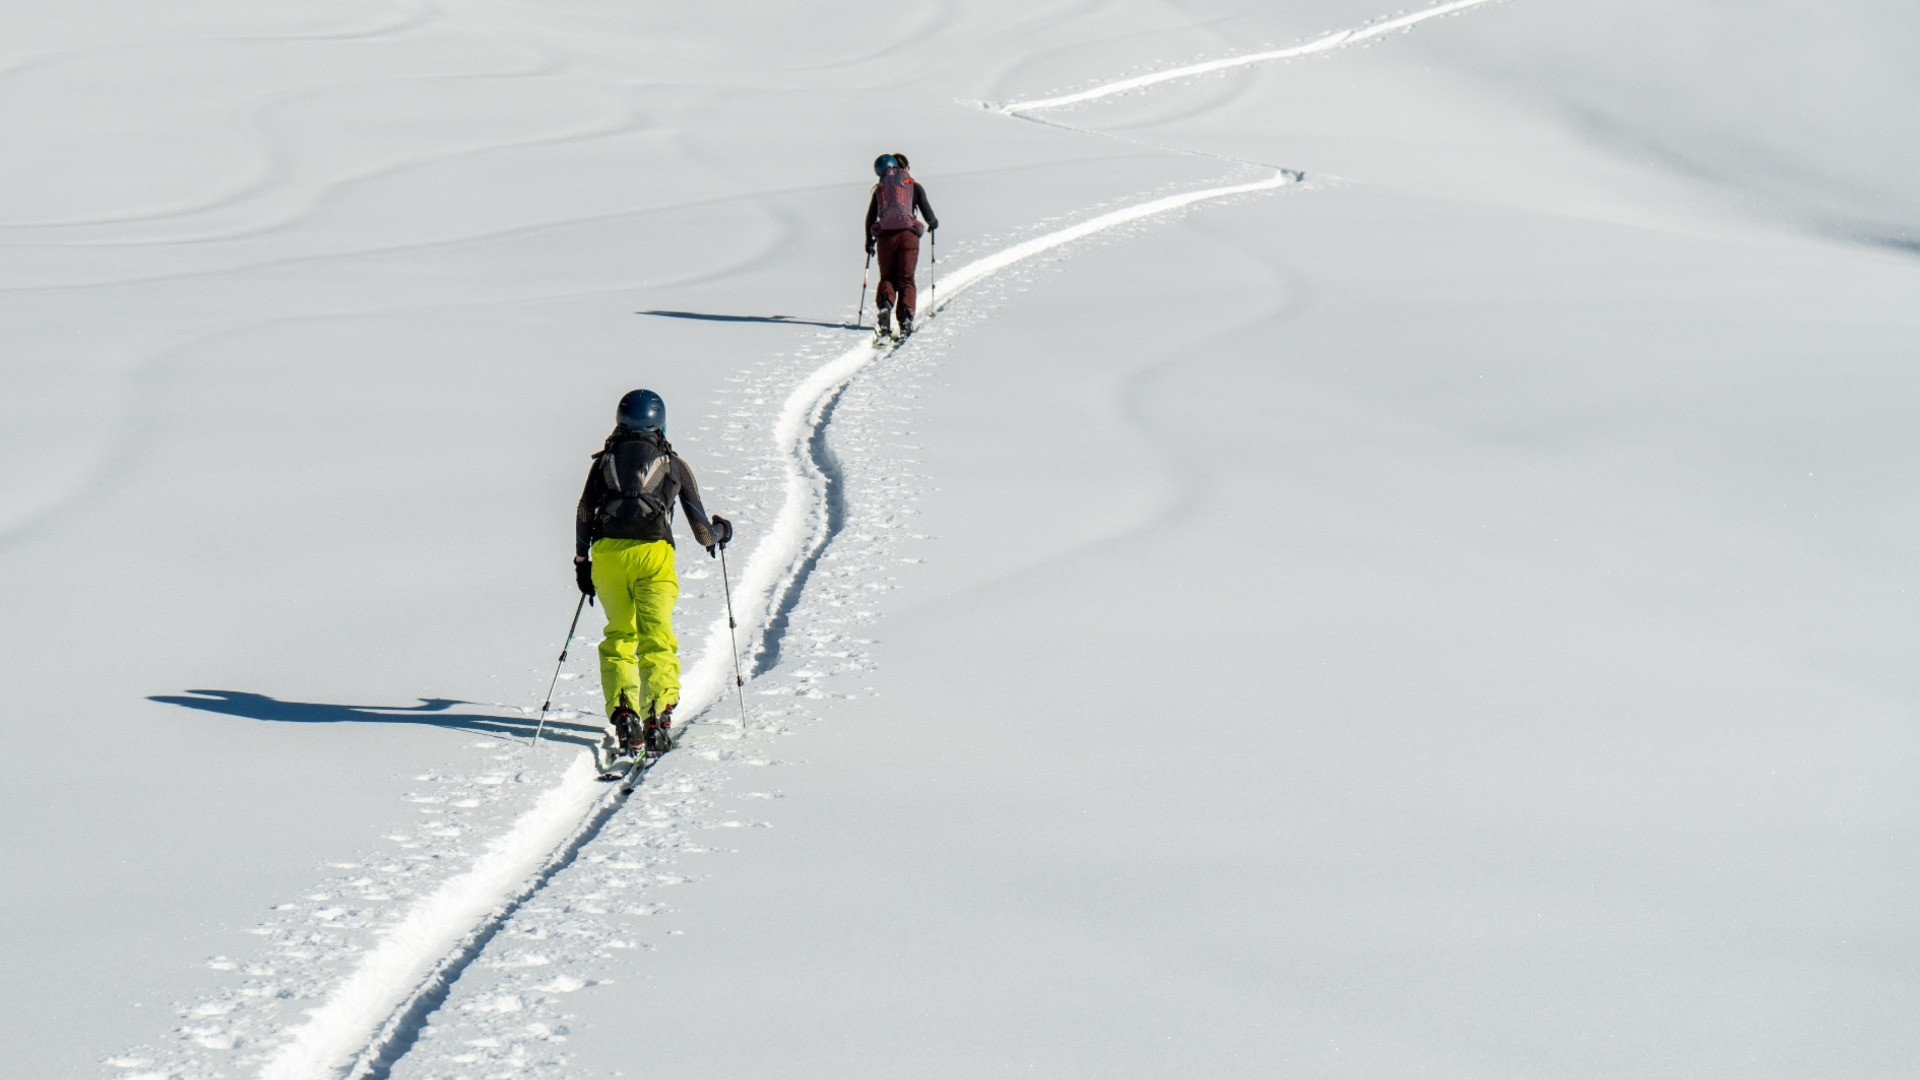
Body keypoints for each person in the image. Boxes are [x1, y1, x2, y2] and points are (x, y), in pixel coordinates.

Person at [573, 388, 733, 758]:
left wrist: (583, 562)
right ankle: (657, 717)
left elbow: (584, 512)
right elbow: (703, 533)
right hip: (654, 556)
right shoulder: (673, 464)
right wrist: (724, 531)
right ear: (659, 422)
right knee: (656, 637)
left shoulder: (603, 463)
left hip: (609, 557)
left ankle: (624, 713)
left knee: (619, 636)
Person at [865, 152, 938, 341]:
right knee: (906, 279)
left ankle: (885, 306)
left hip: (885, 238)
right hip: (908, 237)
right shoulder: (913, 186)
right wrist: (932, 223)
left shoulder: (881, 188)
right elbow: (928, 214)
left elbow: (870, 218)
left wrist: (869, 241)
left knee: (887, 276)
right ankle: (905, 319)